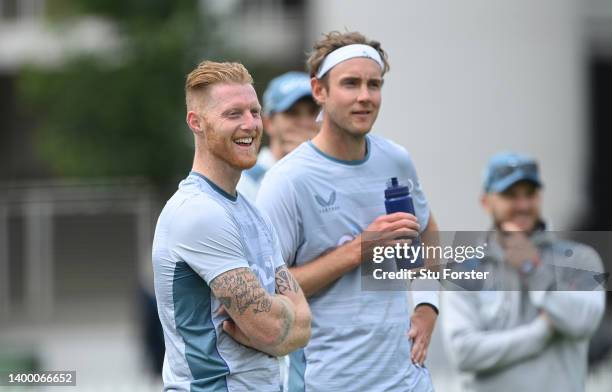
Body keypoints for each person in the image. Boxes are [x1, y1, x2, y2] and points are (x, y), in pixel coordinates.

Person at [256, 31, 439, 391]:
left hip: (408, 380)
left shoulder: (396, 159)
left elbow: (428, 235)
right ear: (319, 91)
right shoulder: (288, 179)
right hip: (331, 381)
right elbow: (269, 292)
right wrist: (358, 250)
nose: (365, 97)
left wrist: (428, 305)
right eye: (350, 84)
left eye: (374, 85)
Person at [152, 60, 311, 392]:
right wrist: (277, 318)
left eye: (254, 112)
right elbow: (272, 329)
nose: (250, 124)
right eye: (233, 114)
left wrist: (272, 320)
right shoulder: (198, 212)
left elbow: (302, 327)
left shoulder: (252, 210)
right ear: (196, 122)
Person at [442, 152, 606, 392]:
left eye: (530, 194)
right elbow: (463, 353)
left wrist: (533, 269)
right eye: (510, 195)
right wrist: (542, 331)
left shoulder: (580, 258)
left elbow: (582, 322)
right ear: (486, 202)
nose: (522, 205)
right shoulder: (464, 269)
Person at [237, 71, 318, 201]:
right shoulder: (246, 181)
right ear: (268, 123)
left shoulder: (333, 172)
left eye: (313, 112)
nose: (305, 122)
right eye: (292, 113)